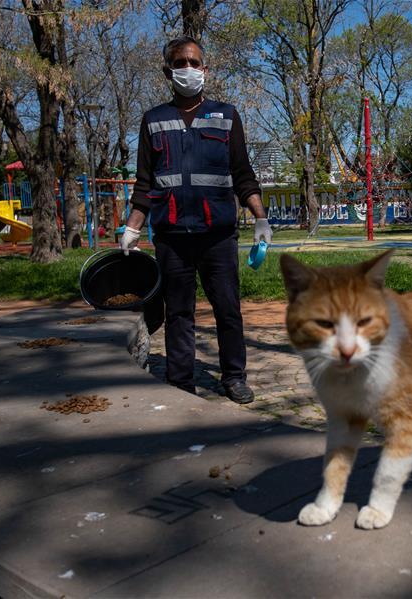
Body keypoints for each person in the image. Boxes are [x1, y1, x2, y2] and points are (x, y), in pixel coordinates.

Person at [120, 36, 272, 404]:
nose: (188, 68)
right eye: (180, 62)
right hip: (172, 237)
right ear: (167, 71)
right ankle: (181, 382)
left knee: (228, 310)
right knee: (179, 314)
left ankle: (234, 376)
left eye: (194, 62)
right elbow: (145, 183)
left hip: (217, 236)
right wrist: (133, 226)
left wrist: (260, 218)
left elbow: (243, 174)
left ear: (205, 69)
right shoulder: (153, 120)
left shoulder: (227, 116)